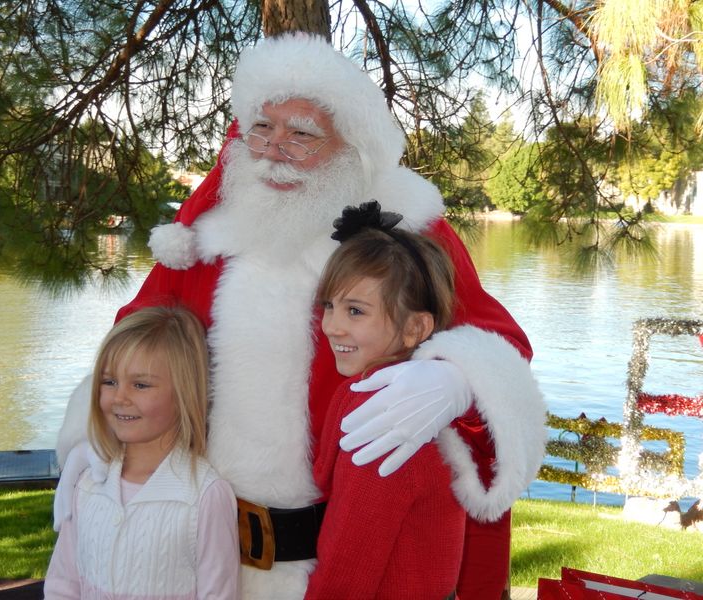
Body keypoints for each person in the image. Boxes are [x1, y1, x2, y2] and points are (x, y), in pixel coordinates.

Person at [56, 33, 546, 600]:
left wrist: (455, 376)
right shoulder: (209, 234)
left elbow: (500, 339)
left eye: (303, 133)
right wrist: (93, 428)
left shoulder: (400, 235)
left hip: (333, 565)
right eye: (262, 127)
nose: (274, 147)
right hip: (200, 563)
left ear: (350, 148)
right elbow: (135, 333)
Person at [304, 201, 465, 599]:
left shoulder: (387, 424)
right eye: (330, 306)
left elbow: (346, 574)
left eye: (355, 311)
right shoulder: (413, 401)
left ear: (415, 328)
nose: (332, 327)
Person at [45, 307, 239, 600]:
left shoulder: (206, 495)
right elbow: (63, 583)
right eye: (109, 382)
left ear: (184, 393)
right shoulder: (86, 485)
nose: (120, 397)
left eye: (140, 385)